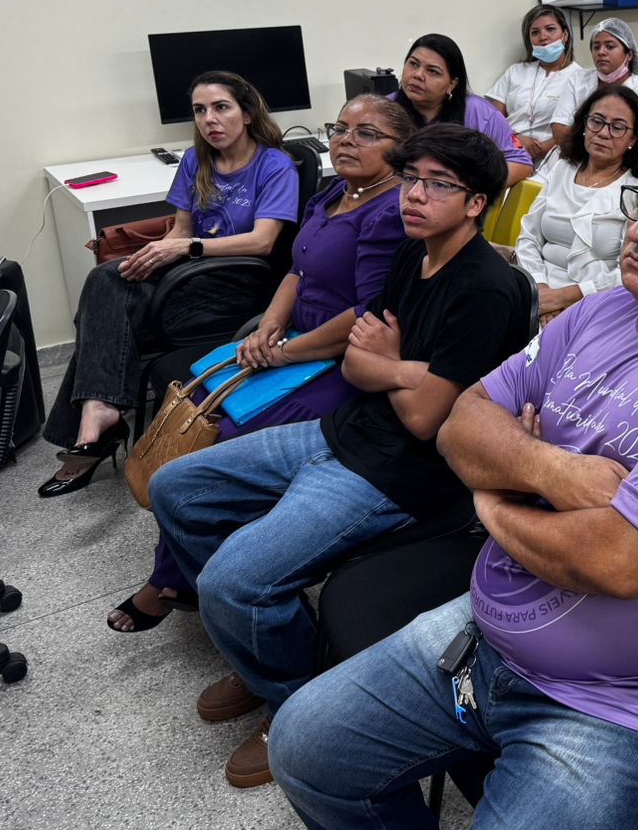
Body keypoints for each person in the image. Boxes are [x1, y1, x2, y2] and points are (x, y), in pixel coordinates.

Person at [267, 146, 638, 830]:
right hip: (488, 631)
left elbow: (619, 560)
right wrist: (553, 472)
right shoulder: (598, 313)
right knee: (307, 749)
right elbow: (462, 421)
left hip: (631, 705)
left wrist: (493, 497)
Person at [148, 125, 530, 789]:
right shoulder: (413, 255)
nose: (414, 195)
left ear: (476, 204)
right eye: (411, 179)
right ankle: (267, 645)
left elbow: (424, 418)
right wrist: (395, 367)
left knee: (232, 582)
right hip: (345, 429)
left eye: (438, 185)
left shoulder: (486, 289)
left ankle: (294, 699)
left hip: (402, 472)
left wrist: (387, 364)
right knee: (175, 487)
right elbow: (355, 364)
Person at [108, 95, 414, 633]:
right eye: (340, 128)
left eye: (366, 133)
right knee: (196, 402)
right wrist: (267, 326)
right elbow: (296, 271)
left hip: (343, 356)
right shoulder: (335, 193)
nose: (346, 140)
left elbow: (368, 311)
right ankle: (195, 569)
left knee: (224, 436)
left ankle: (176, 580)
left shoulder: (390, 212)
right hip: (290, 337)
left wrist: (286, 351)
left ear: (400, 148)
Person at [38, 71, 299, 497]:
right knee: (108, 279)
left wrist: (185, 249)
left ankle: (96, 422)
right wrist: (156, 254)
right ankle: (96, 417)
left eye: (221, 107)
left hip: (240, 285)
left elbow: (263, 241)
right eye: (200, 110)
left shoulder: (275, 166)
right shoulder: (196, 160)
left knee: (104, 318)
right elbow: (181, 229)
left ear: (248, 113)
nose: (209, 119)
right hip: (192, 278)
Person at [516, 85, 638, 327]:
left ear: (633, 138)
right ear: (584, 124)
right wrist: (540, 290)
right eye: (597, 121)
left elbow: (630, 270)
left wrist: (563, 298)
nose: (603, 133)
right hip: (537, 289)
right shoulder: (562, 169)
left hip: (598, 301)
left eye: (618, 127)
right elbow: (528, 237)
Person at [393, 32, 533, 187]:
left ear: (452, 84)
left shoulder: (480, 113)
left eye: (432, 71)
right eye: (413, 64)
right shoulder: (384, 109)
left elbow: (520, 163)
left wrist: (472, 190)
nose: (418, 75)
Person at [486, 4, 587, 164]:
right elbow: (492, 118)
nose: (543, 37)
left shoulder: (581, 78)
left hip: (554, 157)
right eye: (535, 32)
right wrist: (516, 140)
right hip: (508, 149)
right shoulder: (516, 71)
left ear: (565, 35)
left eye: (550, 29)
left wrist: (541, 149)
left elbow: (579, 130)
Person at [548, 18, 638, 151]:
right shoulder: (578, 79)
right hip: (576, 155)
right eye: (596, 47)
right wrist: (593, 151)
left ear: (629, 54)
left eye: (610, 47)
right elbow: (559, 129)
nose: (601, 52)